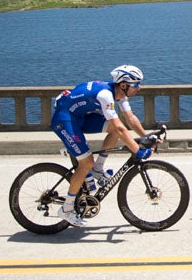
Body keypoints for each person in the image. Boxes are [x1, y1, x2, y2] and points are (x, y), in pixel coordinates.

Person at [51, 65, 150, 227]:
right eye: (136, 84)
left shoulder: (120, 95)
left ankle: (98, 169)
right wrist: (137, 150)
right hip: (65, 118)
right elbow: (120, 127)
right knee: (86, 162)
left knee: (114, 131)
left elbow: (130, 118)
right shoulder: (106, 95)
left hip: (80, 116)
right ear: (123, 85)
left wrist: (146, 138)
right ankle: (67, 209)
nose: (139, 88)